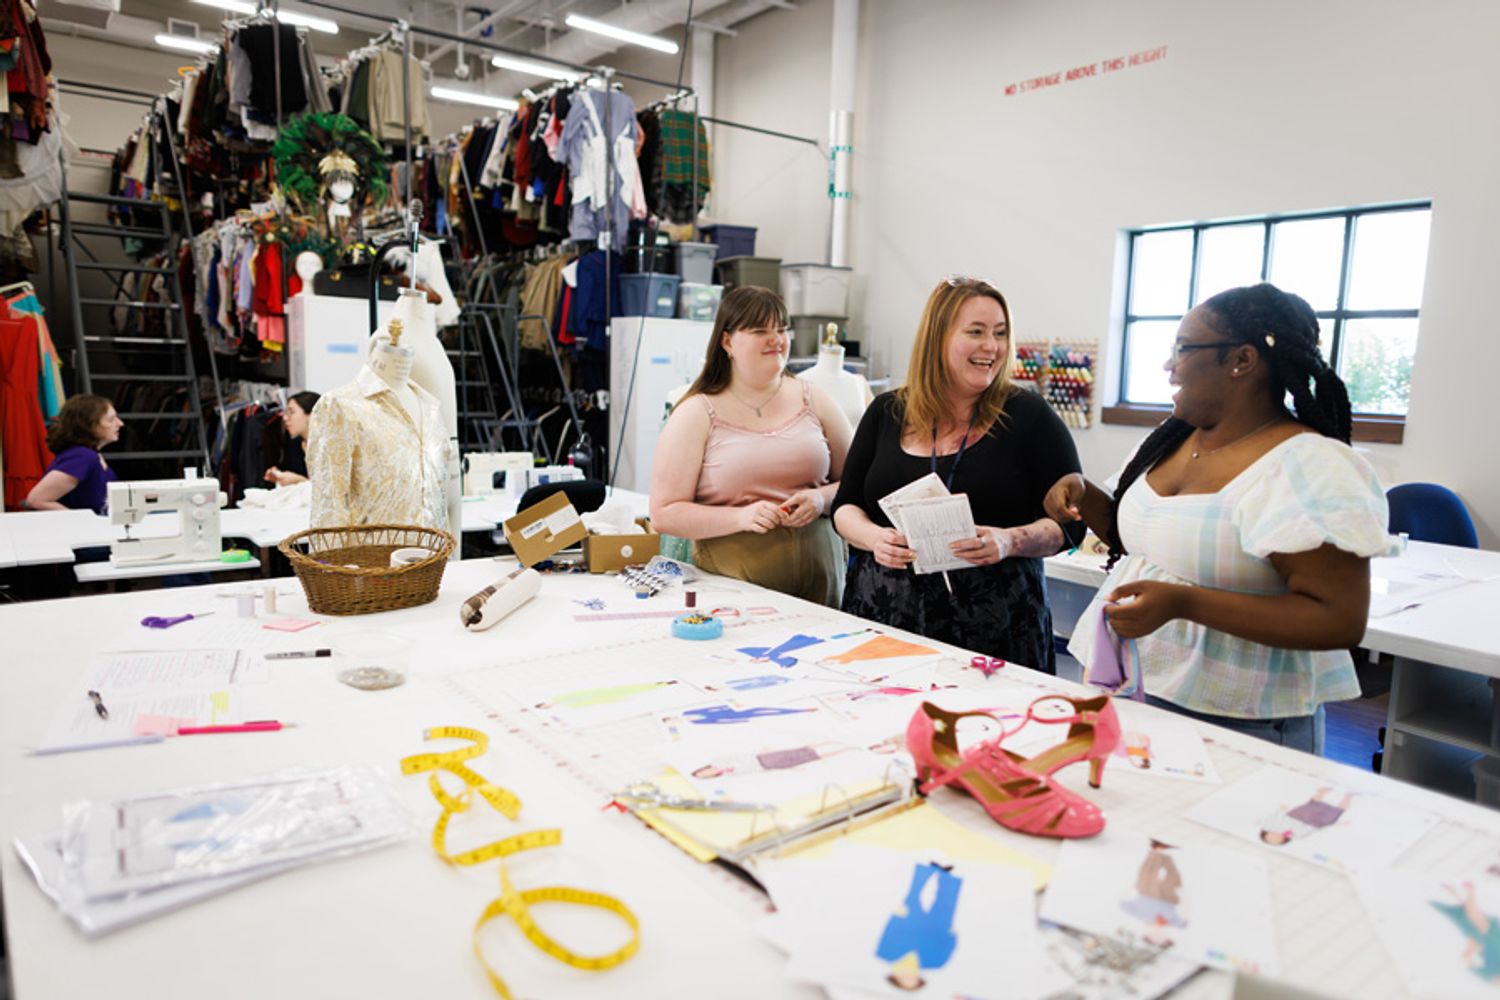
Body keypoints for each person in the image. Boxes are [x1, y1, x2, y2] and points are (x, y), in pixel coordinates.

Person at [1045, 283, 1395, 754]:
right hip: (1129, 686)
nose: (1169, 365)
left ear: (1242, 360)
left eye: (1183, 349)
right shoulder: (1173, 441)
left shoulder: (1309, 465)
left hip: (1239, 722)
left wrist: (1184, 604)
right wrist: (1084, 494)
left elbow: (1337, 619)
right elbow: (1140, 544)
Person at [831, 277, 1083, 672]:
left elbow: (1070, 527)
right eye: (976, 332)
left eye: (1000, 334)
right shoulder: (886, 412)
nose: (992, 347)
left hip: (995, 626)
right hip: (885, 616)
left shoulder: (1030, 417)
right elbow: (846, 507)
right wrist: (874, 538)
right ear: (938, 337)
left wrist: (1009, 540)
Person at [650, 286, 854, 607]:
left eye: (782, 329)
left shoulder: (814, 398)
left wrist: (820, 498)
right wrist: (740, 518)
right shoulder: (696, 412)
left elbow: (858, 482)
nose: (777, 340)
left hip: (822, 580)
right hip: (735, 588)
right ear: (728, 341)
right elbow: (664, 513)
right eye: (761, 331)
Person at [24, 394, 122, 514]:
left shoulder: (91, 454)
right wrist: (79, 522)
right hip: (87, 530)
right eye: (111, 420)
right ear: (89, 424)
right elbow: (35, 500)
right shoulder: (83, 456)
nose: (120, 423)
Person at [264, 390, 319, 487]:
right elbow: (290, 472)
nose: (285, 418)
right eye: (286, 413)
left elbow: (333, 493)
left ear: (311, 415)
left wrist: (301, 481)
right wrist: (278, 475)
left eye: (291, 412)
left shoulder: (330, 448)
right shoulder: (294, 444)